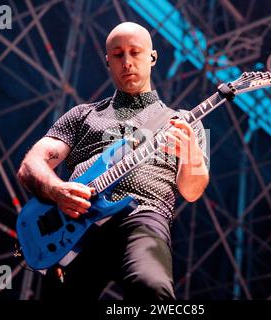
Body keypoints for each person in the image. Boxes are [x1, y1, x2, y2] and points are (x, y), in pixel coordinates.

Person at [17, 22, 209, 300]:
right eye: (118, 55)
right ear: (108, 61)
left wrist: (191, 153)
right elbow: (32, 163)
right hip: (76, 224)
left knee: (152, 290)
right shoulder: (83, 115)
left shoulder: (184, 124)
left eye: (136, 52)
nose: (127, 62)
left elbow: (192, 192)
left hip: (144, 216)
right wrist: (57, 191)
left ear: (152, 58)